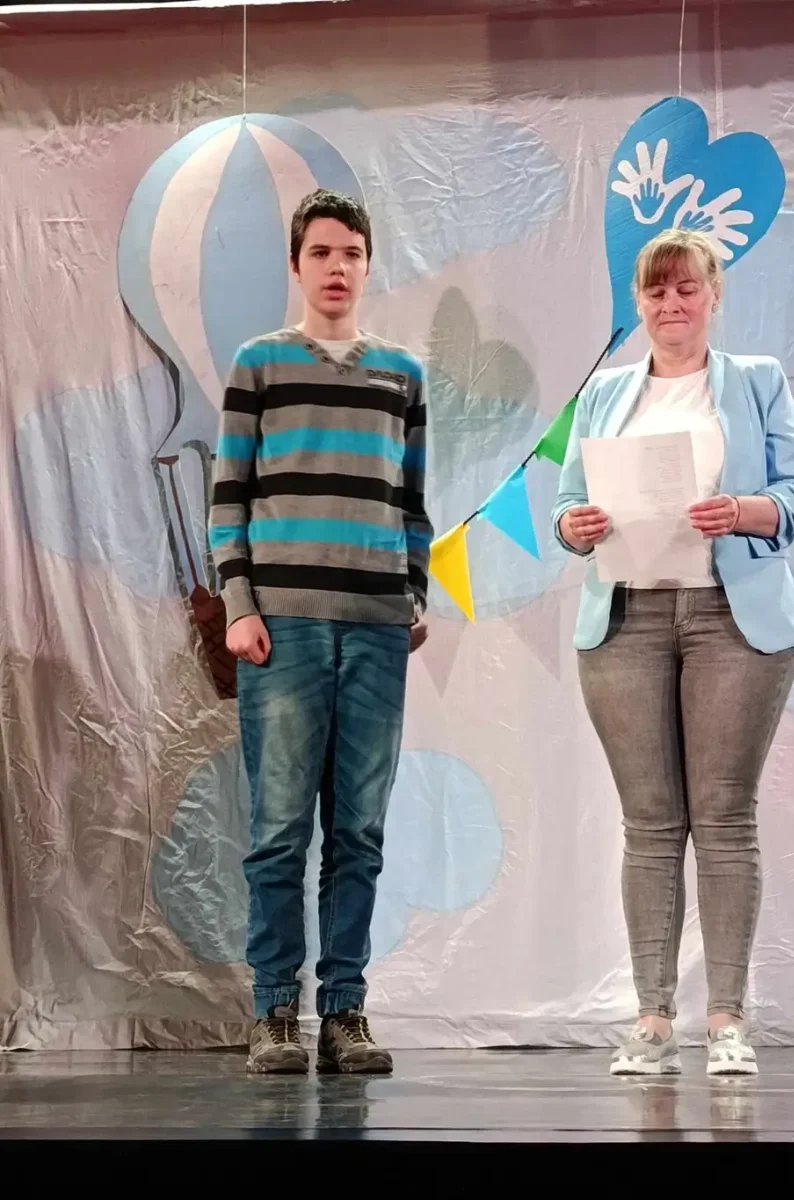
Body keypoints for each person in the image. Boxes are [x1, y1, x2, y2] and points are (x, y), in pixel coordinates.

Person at [553, 228, 794, 1077]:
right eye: (656, 291)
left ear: (714, 295)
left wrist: (741, 511)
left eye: (686, 288)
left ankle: (728, 1021)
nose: (671, 304)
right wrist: (573, 524)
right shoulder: (604, 393)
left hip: (731, 620)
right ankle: (652, 1021)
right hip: (626, 618)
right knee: (650, 822)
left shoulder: (757, 380)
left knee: (725, 816)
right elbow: (567, 504)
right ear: (639, 303)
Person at [209, 188, 433, 1075]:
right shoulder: (258, 364)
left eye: (352, 254)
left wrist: (413, 593)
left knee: (359, 834)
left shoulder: (402, 375)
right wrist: (239, 605)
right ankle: (274, 1013)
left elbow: (412, 501)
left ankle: (344, 1013)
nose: (337, 267)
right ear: (296, 265)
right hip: (284, 629)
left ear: (369, 265)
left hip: (377, 627)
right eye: (321, 253)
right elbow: (229, 496)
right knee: (278, 831)